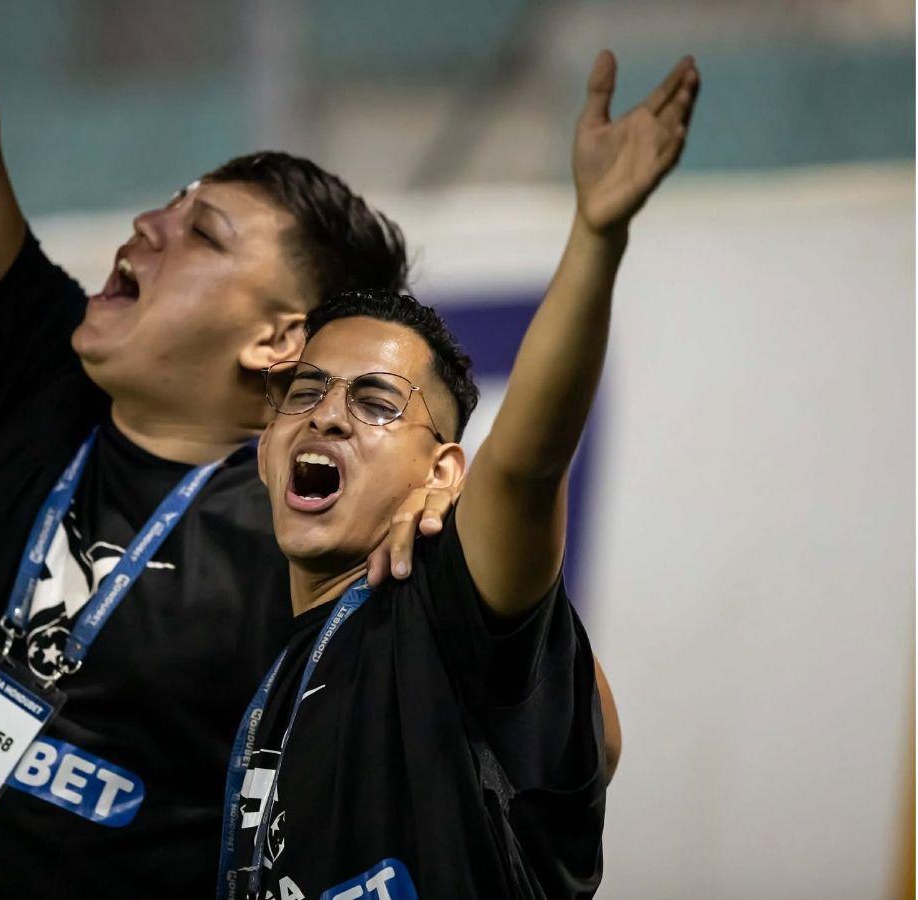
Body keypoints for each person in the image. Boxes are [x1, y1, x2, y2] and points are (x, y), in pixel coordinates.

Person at [0, 3, 457, 896]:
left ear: (277, 340)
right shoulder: (37, 389)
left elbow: (556, 725)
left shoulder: (304, 543)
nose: (151, 223)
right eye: (173, 202)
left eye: (204, 233)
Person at [224, 50, 699, 899]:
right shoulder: (274, 669)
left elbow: (525, 469)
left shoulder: (440, 608)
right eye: (306, 392)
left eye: (375, 401)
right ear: (266, 444)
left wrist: (595, 238)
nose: (327, 414)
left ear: (443, 471)